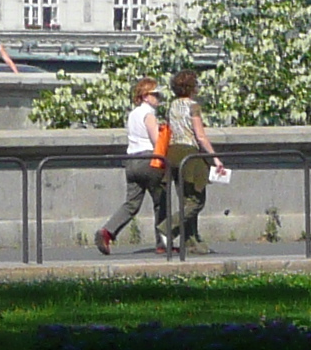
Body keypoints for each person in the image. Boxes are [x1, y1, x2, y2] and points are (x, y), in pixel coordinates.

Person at [94, 75, 168, 256]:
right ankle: (163, 243)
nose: (158, 98)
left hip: (131, 161)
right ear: (144, 96)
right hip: (149, 160)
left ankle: (107, 231)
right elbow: (155, 140)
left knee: (131, 204)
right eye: (155, 94)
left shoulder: (133, 114)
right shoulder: (149, 115)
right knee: (162, 202)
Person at [158, 66, 222, 255]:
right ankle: (168, 227)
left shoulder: (172, 105)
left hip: (173, 153)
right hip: (189, 153)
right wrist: (215, 159)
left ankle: (191, 241)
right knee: (196, 200)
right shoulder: (193, 107)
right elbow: (200, 136)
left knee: (185, 199)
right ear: (191, 87)